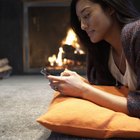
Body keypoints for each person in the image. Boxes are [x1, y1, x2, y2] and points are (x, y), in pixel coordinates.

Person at [47, 0, 140, 118]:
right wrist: (81, 85)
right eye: (80, 19)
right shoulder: (101, 50)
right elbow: (109, 94)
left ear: (110, 8)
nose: (82, 26)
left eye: (86, 15)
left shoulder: (136, 32)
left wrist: (84, 90)